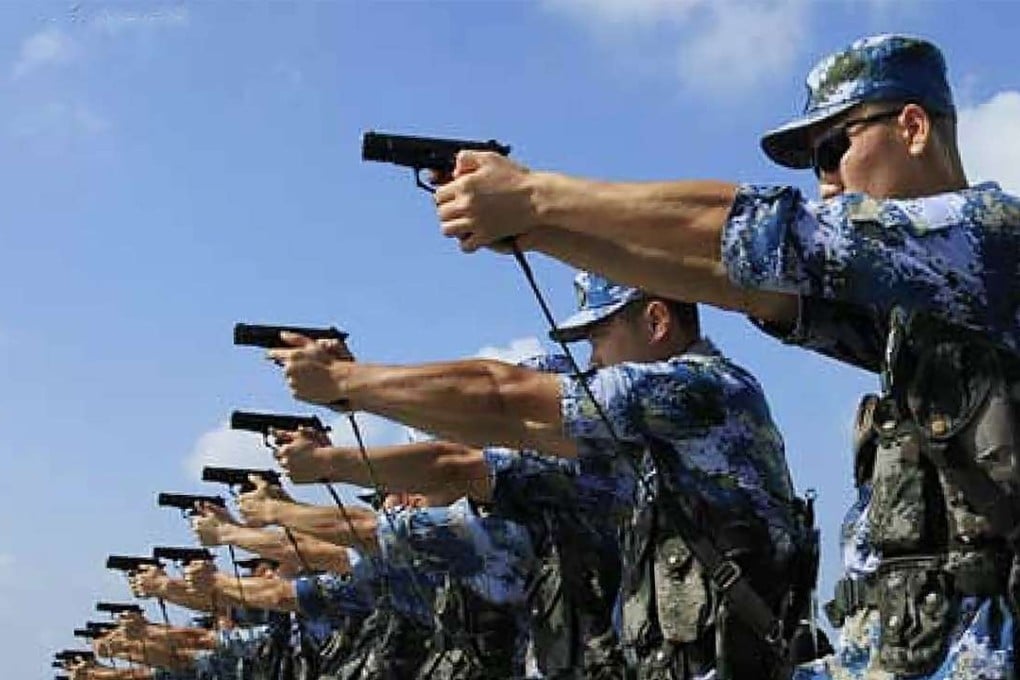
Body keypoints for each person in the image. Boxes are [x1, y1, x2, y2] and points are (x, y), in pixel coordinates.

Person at [428, 33, 1020, 678]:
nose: (826, 185)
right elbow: (736, 281)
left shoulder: (988, 239)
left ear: (911, 127)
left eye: (831, 151)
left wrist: (536, 194)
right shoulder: (916, 307)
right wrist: (535, 233)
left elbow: (757, 228)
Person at [267, 271, 801, 678]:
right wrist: (355, 391)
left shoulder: (698, 390)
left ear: (656, 322)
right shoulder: (633, 448)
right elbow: (480, 439)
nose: (591, 359)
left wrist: (348, 386)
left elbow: (498, 406)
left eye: (597, 337)